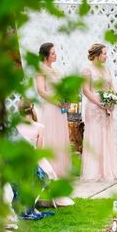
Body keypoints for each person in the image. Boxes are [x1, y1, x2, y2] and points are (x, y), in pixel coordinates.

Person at [16, 101, 74, 207]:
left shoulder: (16, 126)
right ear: (32, 109)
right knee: (50, 173)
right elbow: (39, 150)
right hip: (35, 161)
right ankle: (53, 197)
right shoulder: (39, 127)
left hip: (19, 162)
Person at [81, 43, 117, 181]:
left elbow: (111, 86)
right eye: (104, 53)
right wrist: (100, 103)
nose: (106, 56)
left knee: (106, 137)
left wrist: (112, 101)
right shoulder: (87, 70)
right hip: (94, 108)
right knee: (95, 137)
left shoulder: (106, 69)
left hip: (107, 108)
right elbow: (86, 90)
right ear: (96, 55)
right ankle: (94, 172)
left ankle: (106, 171)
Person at [35, 42, 72, 177]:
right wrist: (57, 102)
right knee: (51, 136)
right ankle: (50, 170)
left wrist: (66, 100)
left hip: (60, 109)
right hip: (50, 107)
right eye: (53, 53)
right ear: (45, 55)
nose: (55, 55)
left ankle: (61, 170)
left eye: (55, 53)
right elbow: (41, 91)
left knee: (60, 137)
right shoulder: (40, 69)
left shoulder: (55, 70)